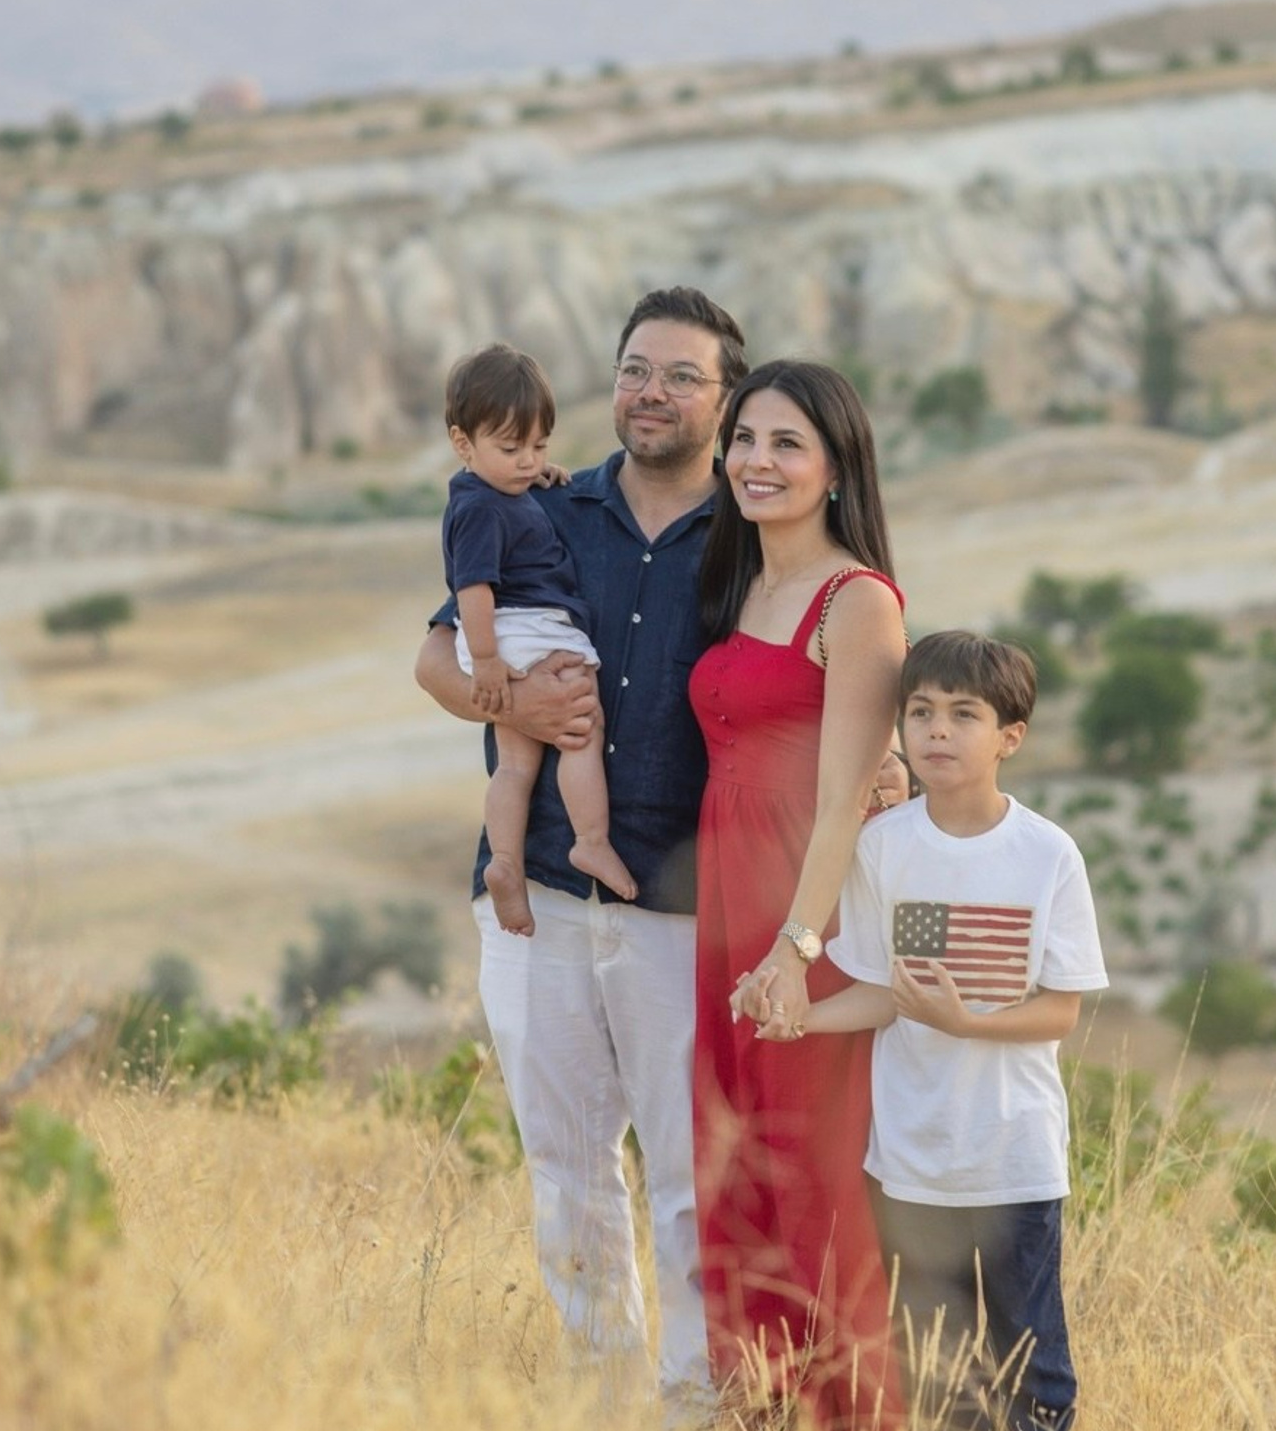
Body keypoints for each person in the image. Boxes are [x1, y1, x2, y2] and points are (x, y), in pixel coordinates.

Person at [413, 286, 748, 1408]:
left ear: (725, 399)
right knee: (566, 1169)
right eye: (636, 369)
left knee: (691, 1174)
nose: (652, 392)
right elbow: (436, 661)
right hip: (540, 896)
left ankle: (695, 1401)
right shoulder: (546, 505)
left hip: (683, 909)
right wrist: (512, 708)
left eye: (682, 375)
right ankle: (604, 1402)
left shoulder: (751, 534)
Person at [781, 631, 1108, 1431]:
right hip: (911, 1162)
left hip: (1014, 1158)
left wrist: (967, 1023)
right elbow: (884, 992)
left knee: (1032, 1370)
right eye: (921, 711)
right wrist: (802, 1019)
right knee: (935, 1373)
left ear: (1009, 737)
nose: (936, 730)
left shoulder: (1046, 855)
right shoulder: (883, 847)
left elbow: (1061, 1009)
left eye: (964, 715)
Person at [692, 359, 908, 1430]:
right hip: (726, 905)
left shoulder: (854, 599)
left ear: (836, 468)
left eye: (787, 443)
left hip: (803, 911)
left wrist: (795, 946)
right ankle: (759, 1407)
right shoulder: (740, 582)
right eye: (744, 438)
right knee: (736, 1177)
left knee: (815, 1186)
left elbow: (844, 799)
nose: (757, 461)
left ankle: (858, 1413)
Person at [442, 341, 638, 935]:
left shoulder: (494, 492)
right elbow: (473, 586)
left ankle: (505, 861)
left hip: (510, 637)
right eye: (511, 449)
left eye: (539, 447)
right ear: (462, 444)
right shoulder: (480, 509)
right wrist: (486, 662)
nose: (528, 462)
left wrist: (532, 480)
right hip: (524, 631)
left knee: (515, 765)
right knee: (581, 726)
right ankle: (591, 840)